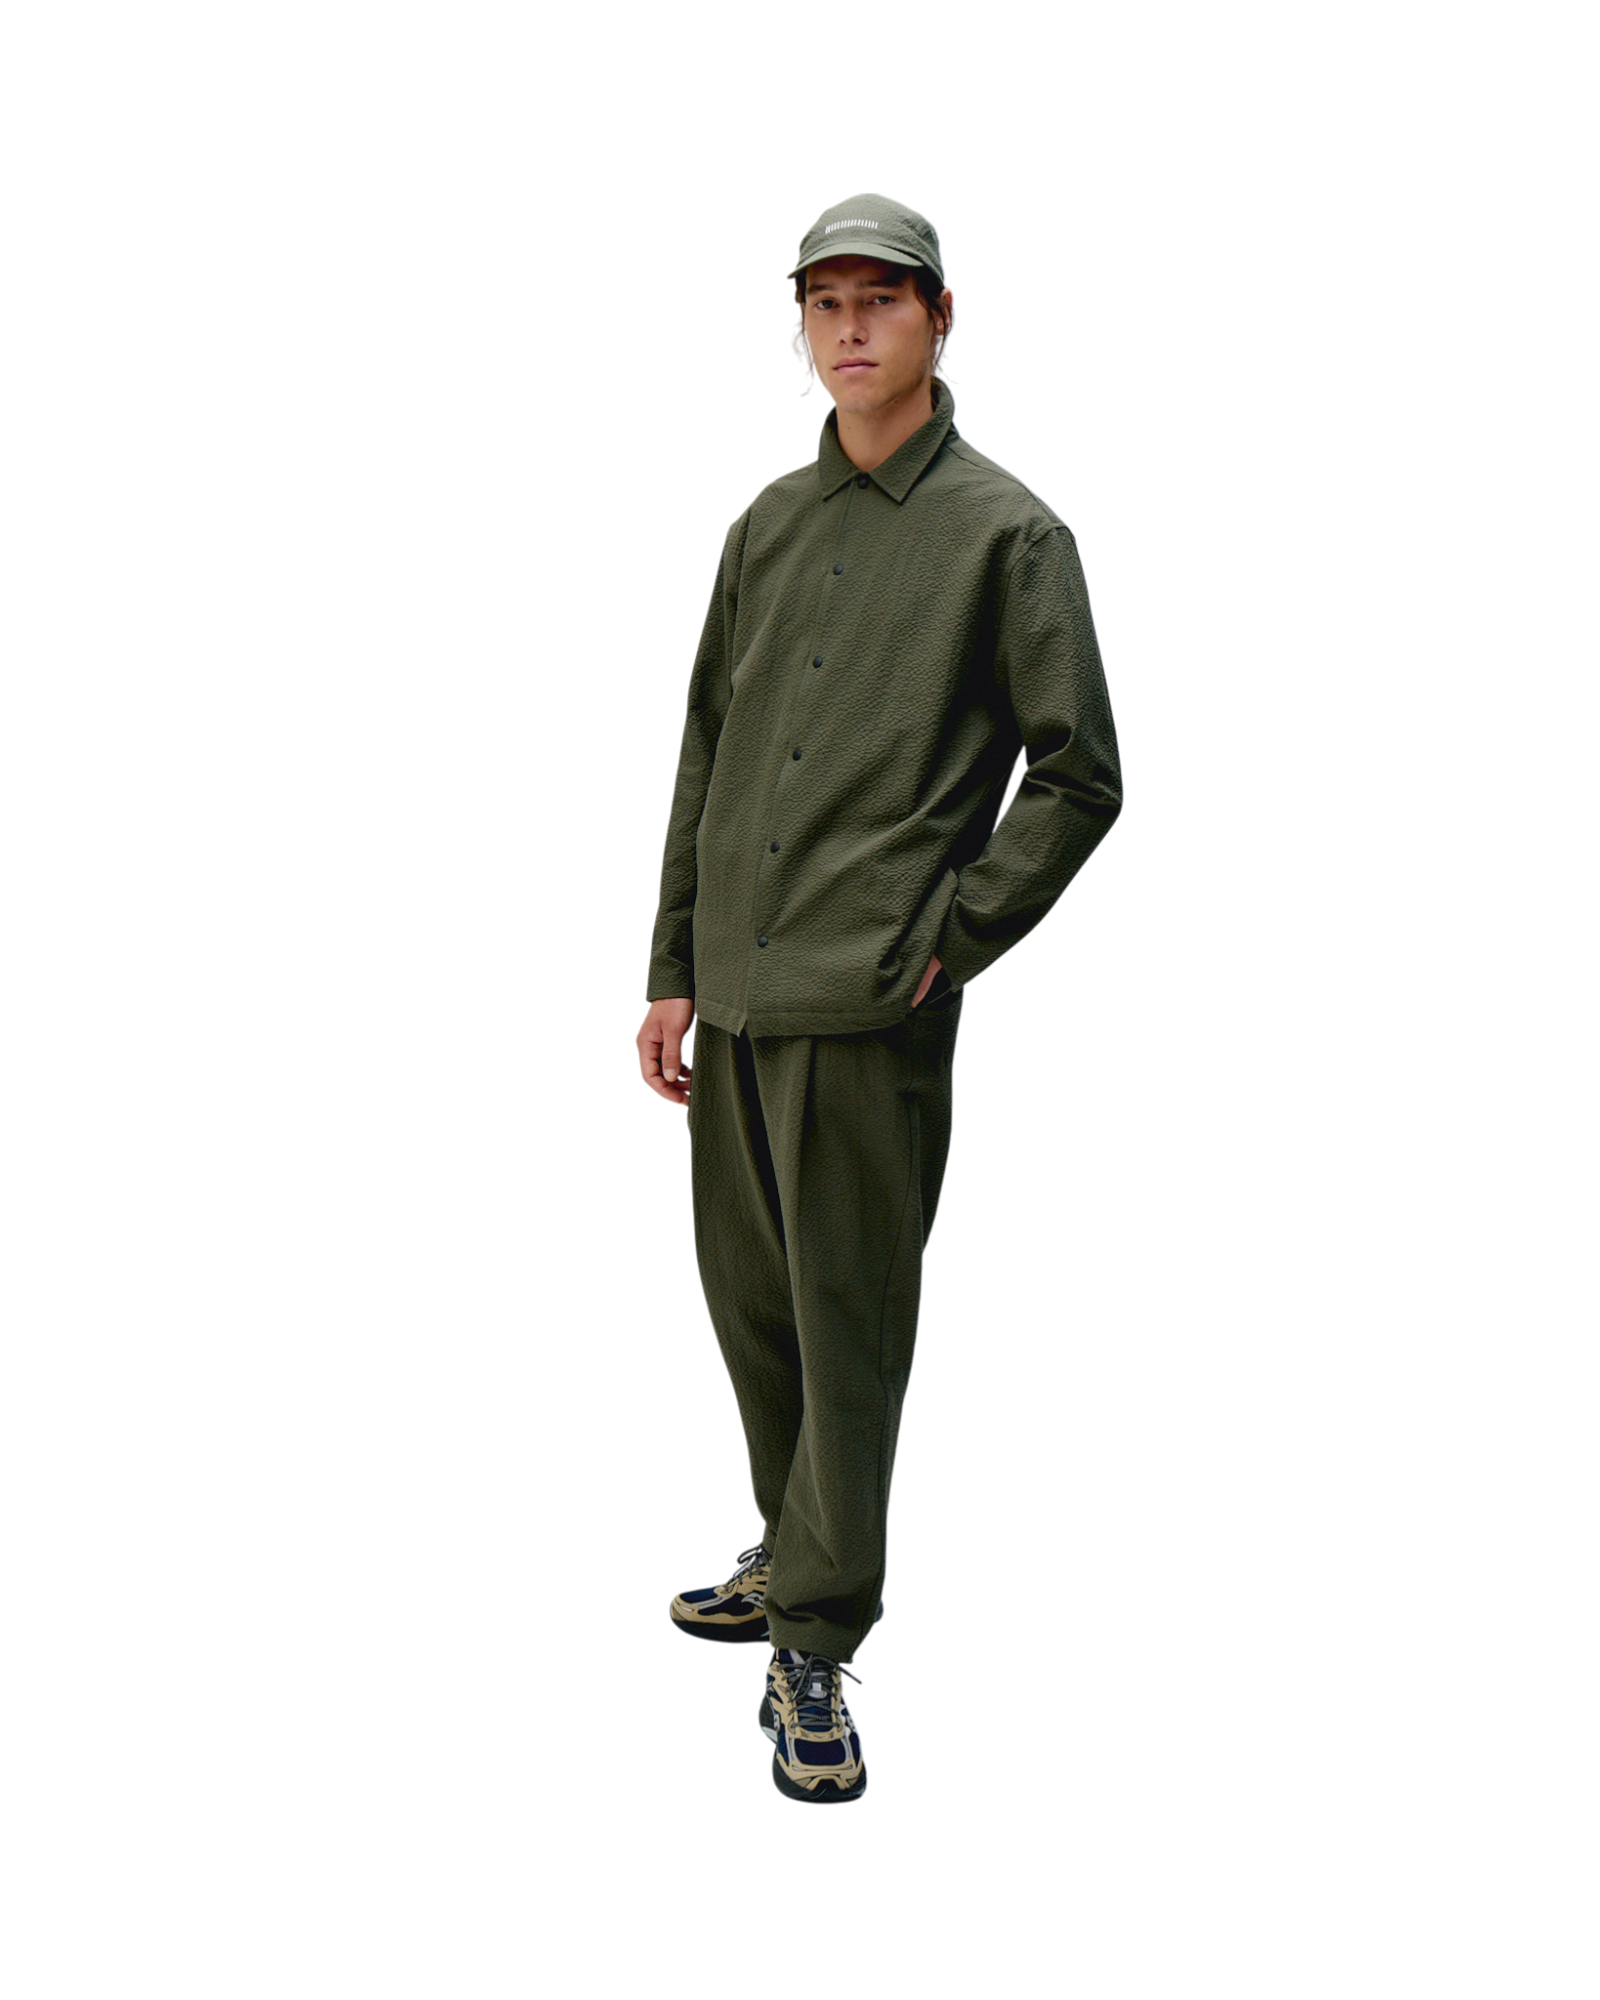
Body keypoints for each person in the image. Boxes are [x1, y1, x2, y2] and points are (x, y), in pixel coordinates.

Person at [635, 193, 1122, 1804]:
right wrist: (675, 969)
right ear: (797, 333)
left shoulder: (1008, 535)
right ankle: (795, 1547)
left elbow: (1078, 777)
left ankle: (820, 1641)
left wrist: (952, 935)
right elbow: (708, 749)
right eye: (824, 303)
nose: (851, 327)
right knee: (751, 1310)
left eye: (882, 299)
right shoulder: (765, 524)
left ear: (941, 316)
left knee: (847, 1323)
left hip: (866, 1004)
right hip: (736, 989)